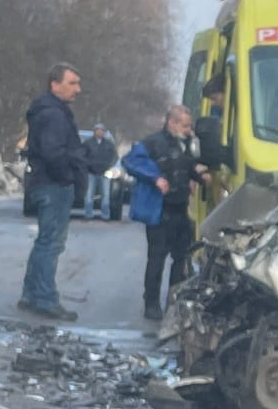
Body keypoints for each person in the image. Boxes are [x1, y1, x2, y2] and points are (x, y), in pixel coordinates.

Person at [124, 104, 207, 318]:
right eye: (186, 126)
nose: (189, 130)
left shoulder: (188, 144)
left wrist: (200, 176)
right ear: (172, 122)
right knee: (157, 258)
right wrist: (155, 178)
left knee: (182, 258)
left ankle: (174, 301)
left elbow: (189, 166)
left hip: (181, 209)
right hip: (160, 211)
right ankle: (151, 304)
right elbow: (130, 162)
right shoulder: (152, 143)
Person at [18, 64, 84, 320]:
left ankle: (31, 294)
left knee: (44, 242)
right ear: (55, 85)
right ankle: (44, 299)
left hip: (44, 181)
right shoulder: (54, 114)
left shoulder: (47, 110)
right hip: (53, 185)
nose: (78, 89)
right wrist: (68, 177)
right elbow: (53, 152)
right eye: (72, 83)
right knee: (51, 243)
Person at [80, 126, 121, 220]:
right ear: (94, 132)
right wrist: (88, 166)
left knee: (106, 195)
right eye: (98, 130)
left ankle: (105, 215)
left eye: (102, 131)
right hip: (90, 172)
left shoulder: (109, 144)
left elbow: (114, 157)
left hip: (105, 173)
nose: (100, 132)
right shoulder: (88, 143)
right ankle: (88, 215)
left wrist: (109, 166)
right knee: (89, 195)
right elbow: (82, 156)